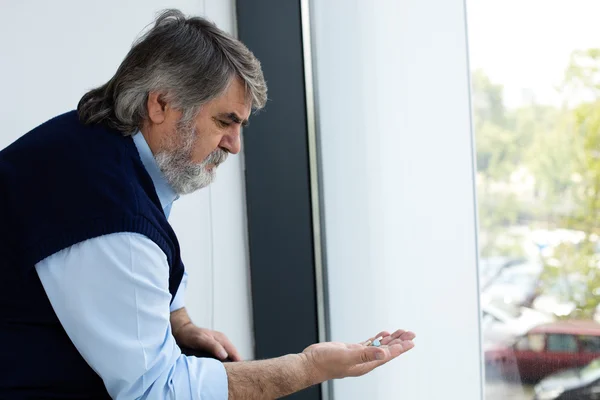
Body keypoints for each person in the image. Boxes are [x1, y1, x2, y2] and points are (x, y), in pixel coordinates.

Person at [0, 9, 415, 400]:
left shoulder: (100, 143)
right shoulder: (111, 217)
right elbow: (158, 390)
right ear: (160, 104)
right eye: (224, 122)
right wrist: (307, 367)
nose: (234, 146)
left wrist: (178, 323)